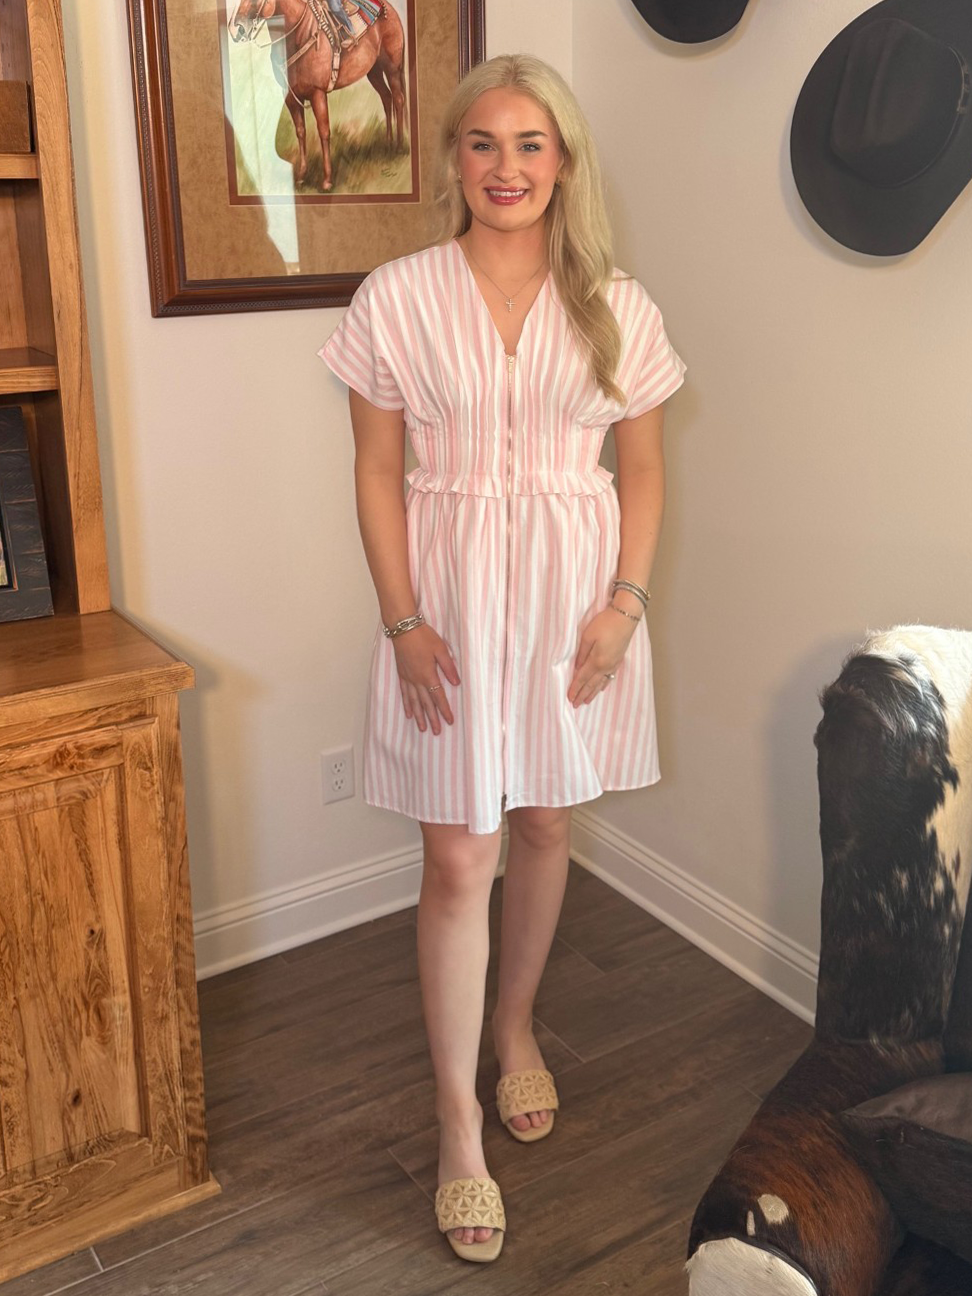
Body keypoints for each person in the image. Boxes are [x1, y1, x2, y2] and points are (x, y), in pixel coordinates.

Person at [317, 52, 686, 1264]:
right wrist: (403, 621)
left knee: (543, 824)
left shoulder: (618, 304)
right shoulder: (397, 297)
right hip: (452, 605)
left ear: (563, 162)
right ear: (453, 160)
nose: (506, 166)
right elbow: (377, 469)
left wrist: (626, 604)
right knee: (458, 854)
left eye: (531, 144)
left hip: (579, 605)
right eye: (483, 142)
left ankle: (515, 1025)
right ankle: (456, 1122)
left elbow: (642, 469)